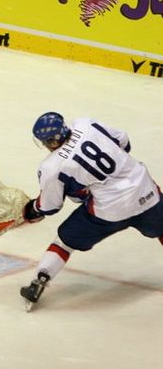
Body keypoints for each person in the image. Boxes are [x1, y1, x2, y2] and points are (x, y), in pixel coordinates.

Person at [21, 112, 163, 310]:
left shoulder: (52, 166)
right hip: (144, 190)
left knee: (64, 241)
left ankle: (39, 281)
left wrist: (33, 209)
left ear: (51, 141)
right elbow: (124, 140)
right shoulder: (86, 124)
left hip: (109, 211)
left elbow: (49, 206)